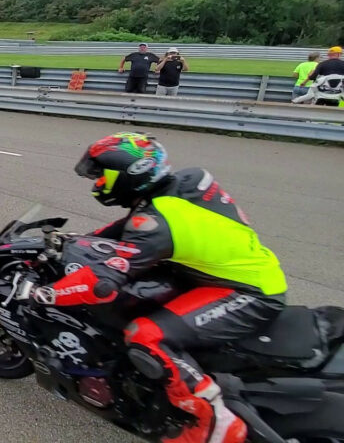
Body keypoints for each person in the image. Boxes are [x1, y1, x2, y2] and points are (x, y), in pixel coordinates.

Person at [17, 132, 286, 443]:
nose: (98, 184)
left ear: (128, 176)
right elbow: (129, 226)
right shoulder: (190, 180)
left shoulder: (154, 226)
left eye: (103, 176)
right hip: (227, 269)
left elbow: (102, 285)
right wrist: (80, 239)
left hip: (249, 292)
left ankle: (214, 420)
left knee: (145, 335)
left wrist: (45, 294)